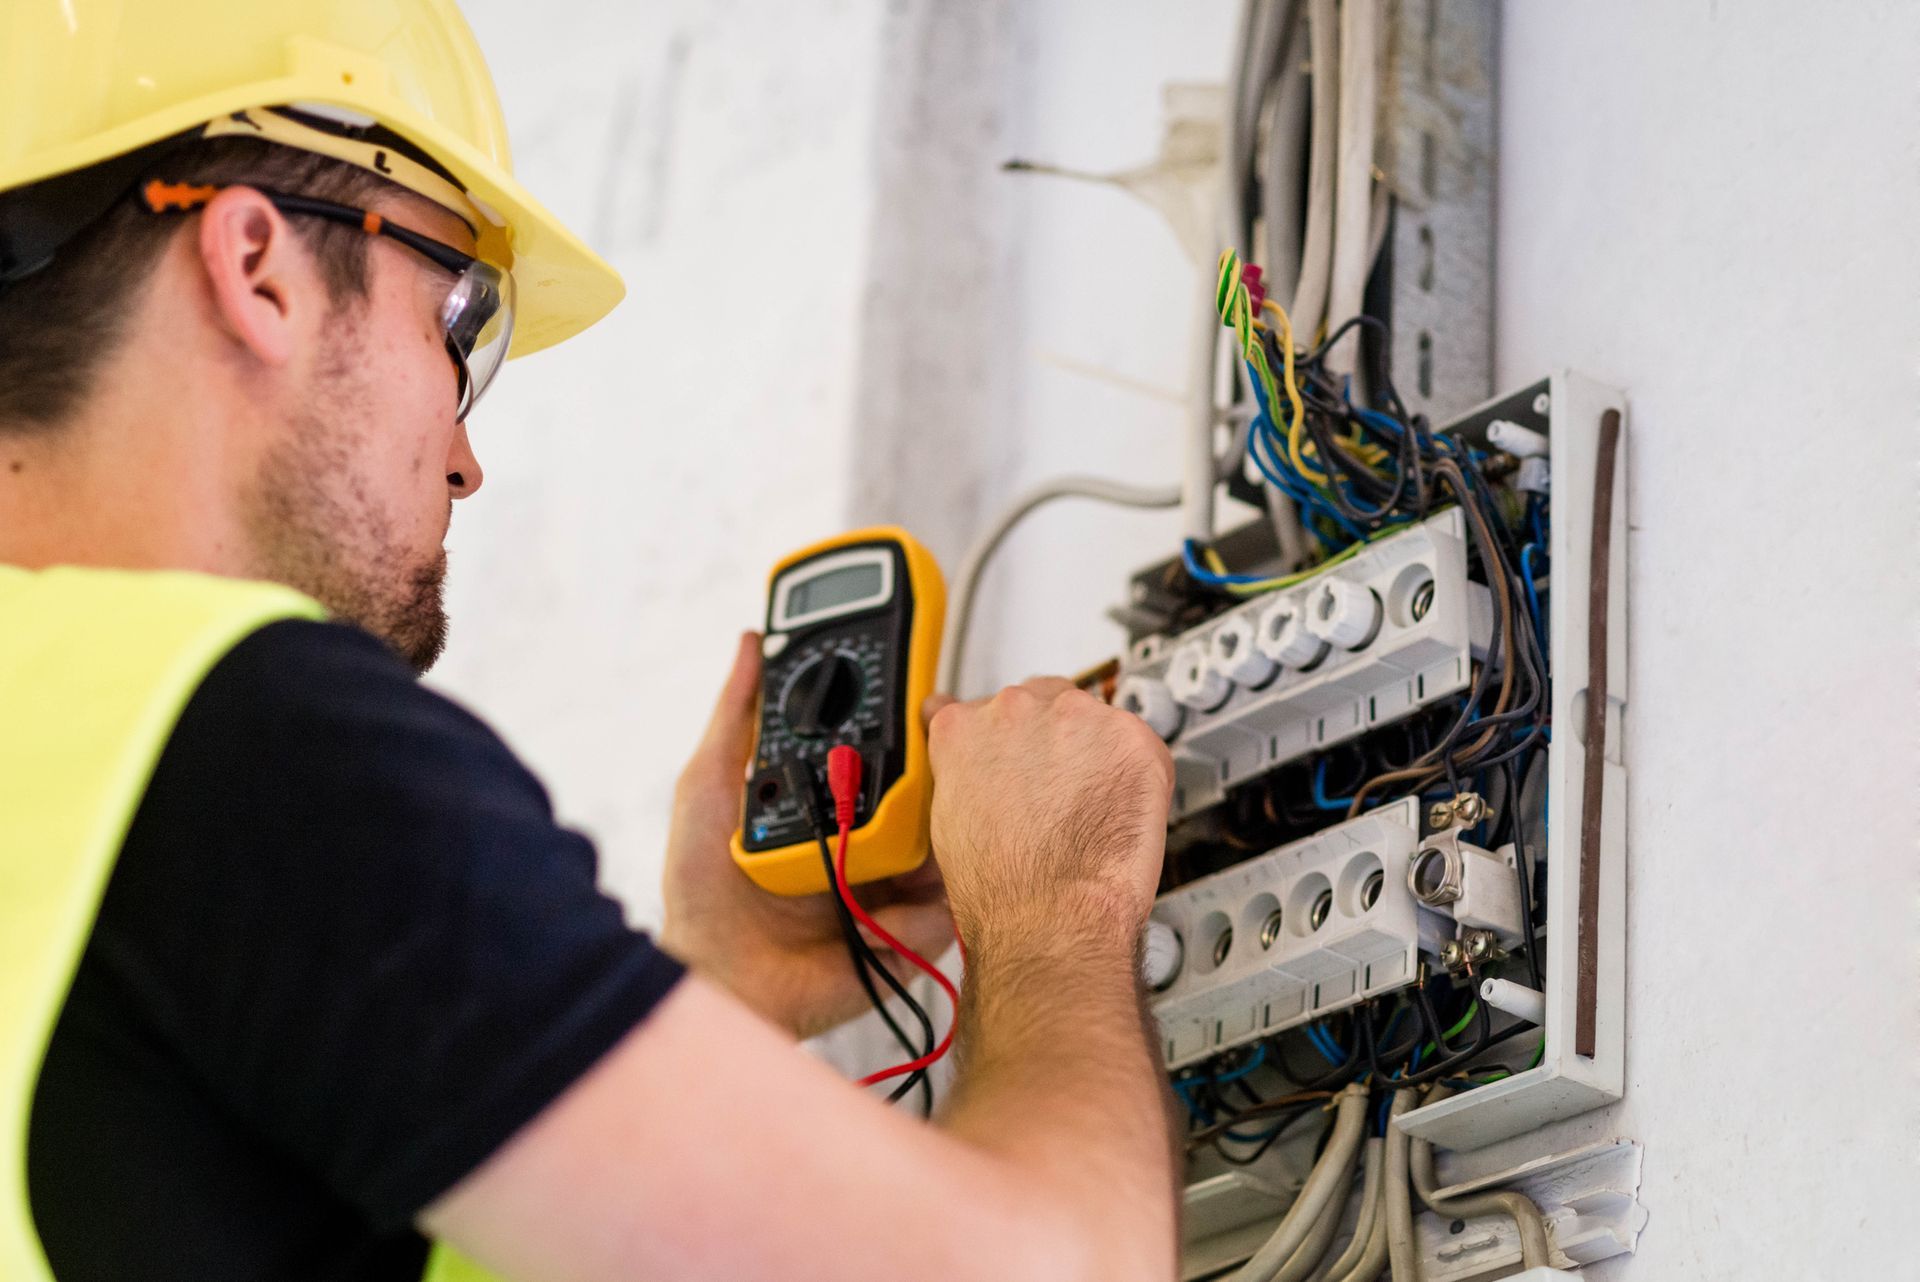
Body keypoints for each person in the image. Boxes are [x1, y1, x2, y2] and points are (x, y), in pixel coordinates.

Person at [0, 3, 1181, 1280]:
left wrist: (717, 988)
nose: (464, 460)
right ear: (257, 267)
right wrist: (1057, 906)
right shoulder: (239, 744)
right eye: (459, 327)